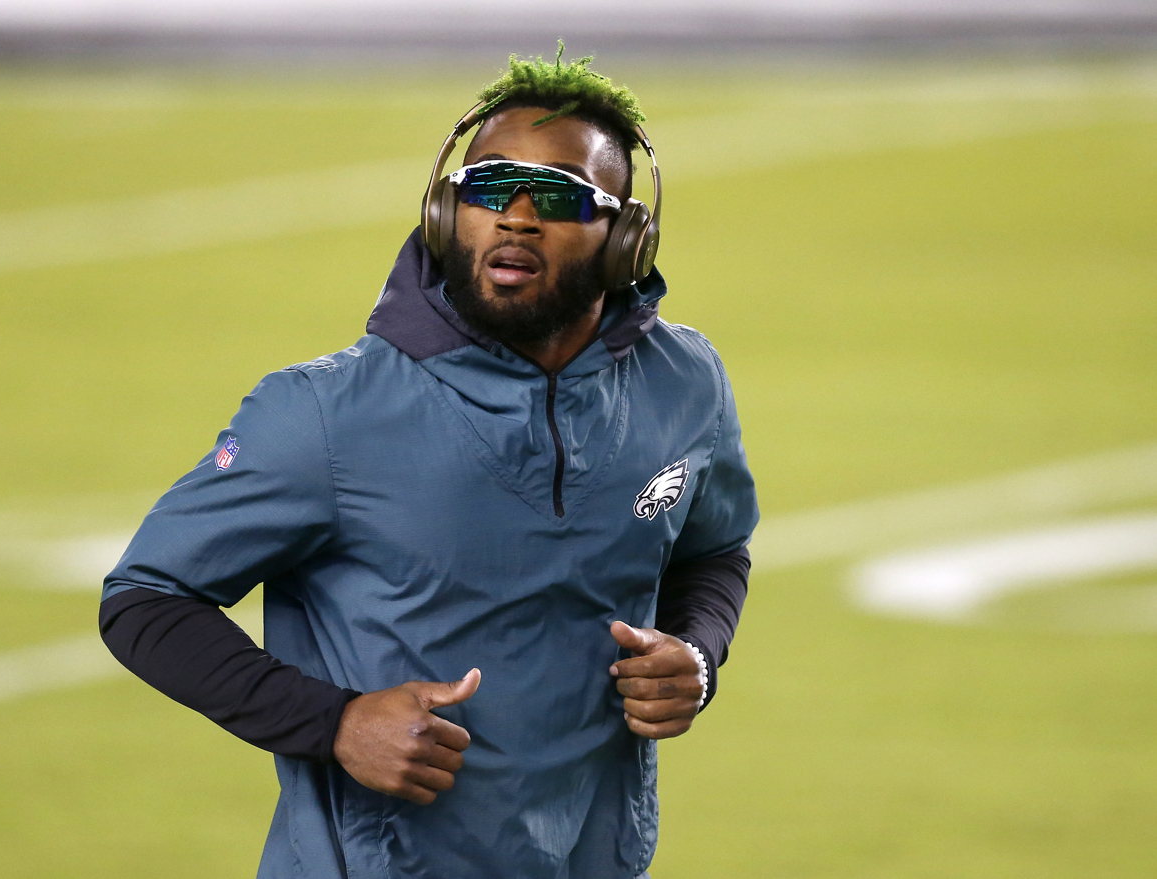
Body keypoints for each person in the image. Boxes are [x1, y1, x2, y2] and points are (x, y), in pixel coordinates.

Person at [100, 46, 758, 879]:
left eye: (555, 195)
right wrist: (334, 721)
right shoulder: (324, 413)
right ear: (448, 214)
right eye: (486, 188)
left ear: (627, 238)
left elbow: (713, 548)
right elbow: (145, 599)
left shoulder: (684, 381)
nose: (514, 217)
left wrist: (697, 654)